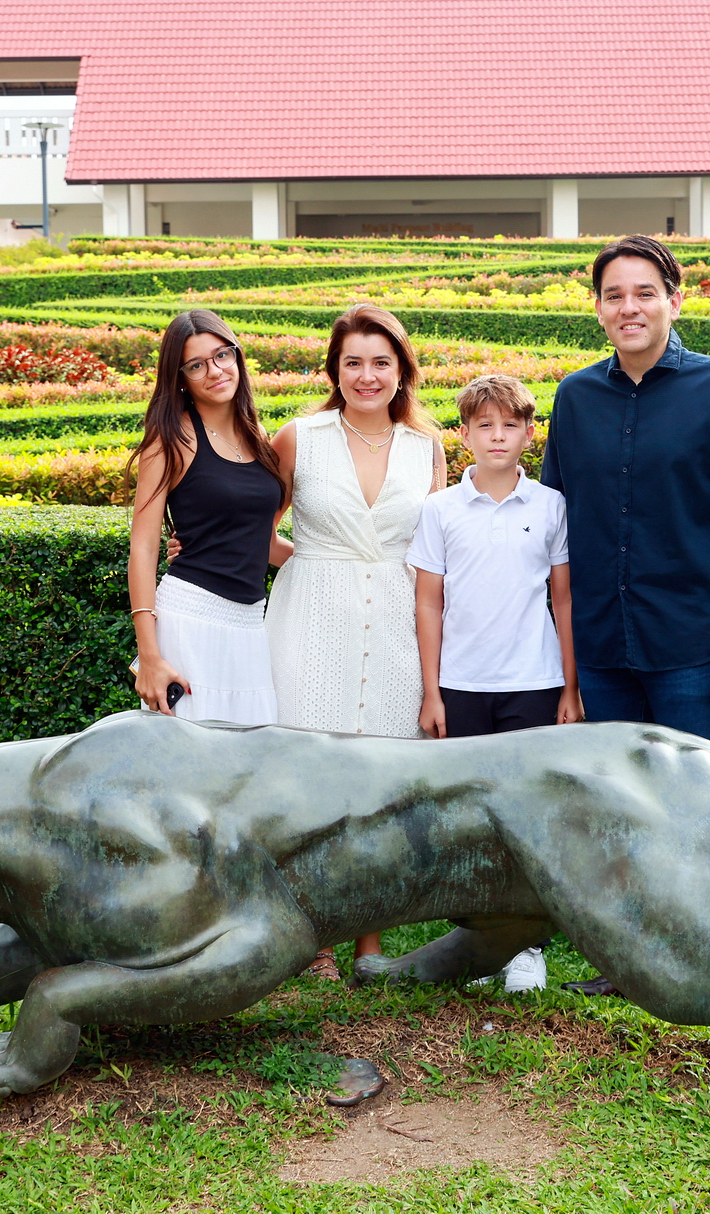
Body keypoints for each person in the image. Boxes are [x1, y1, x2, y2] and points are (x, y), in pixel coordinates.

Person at [541, 234, 710, 996]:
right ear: (598, 310)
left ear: (675, 300)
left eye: (645, 292)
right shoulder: (577, 398)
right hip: (604, 642)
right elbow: (552, 524)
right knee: (622, 806)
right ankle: (631, 962)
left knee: (695, 802)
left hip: (691, 640)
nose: (630, 307)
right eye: (614, 295)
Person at [265, 302, 447, 982]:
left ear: (402, 370)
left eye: (380, 362)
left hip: (400, 622)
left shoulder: (426, 449)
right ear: (334, 370)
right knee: (309, 773)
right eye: (353, 363)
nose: (367, 375)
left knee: (381, 780)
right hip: (312, 615)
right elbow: (258, 525)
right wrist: (306, 562)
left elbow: (435, 550)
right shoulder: (299, 438)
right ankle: (311, 940)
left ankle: (370, 940)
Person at [410, 373, 579, 994]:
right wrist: (432, 691)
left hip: (534, 682)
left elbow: (563, 601)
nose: (498, 436)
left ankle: (528, 947)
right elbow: (428, 603)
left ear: (529, 434)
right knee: (471, 818)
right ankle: (480, 943)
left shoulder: (551, 506)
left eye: (510, 425)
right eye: (485, 425)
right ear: (465, 435)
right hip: (461, 685)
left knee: (530, 816)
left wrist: (569, 687)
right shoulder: (441, 509)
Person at [127, 310, 290, 725]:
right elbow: (144, 548)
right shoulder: (171, 440)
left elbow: (262, 543)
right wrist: (149, 655)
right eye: (197, 365)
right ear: (180, 376)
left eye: (222, 356)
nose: (215, 371)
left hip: (252, 626)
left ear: (237, 357)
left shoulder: (258, 438)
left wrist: (336, 564)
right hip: (190, 622)